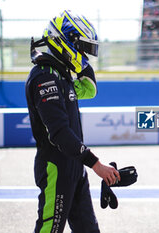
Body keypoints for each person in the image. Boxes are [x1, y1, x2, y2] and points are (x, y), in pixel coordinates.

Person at [25, 10, 120, 233]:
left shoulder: (62, 75)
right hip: (56, 168)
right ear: (65, 41)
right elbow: (59, 132)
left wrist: (77, 60)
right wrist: (96, 163)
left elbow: (89, 89)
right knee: (49, 229)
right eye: (82, 48)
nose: (85, 56)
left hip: (76, 168)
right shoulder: (44, 76)